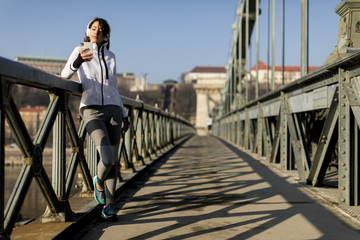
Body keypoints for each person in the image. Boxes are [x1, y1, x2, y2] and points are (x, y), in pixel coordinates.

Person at [61, 17, 130, 219]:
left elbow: (114, 86)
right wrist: (78, 61)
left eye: (100, 29)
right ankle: (98, 182)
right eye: (93, 28)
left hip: (114, 110)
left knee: (113, 161)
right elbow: (64, 75)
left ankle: (109, 206)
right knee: (106, 157)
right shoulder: (79, 50)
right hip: (91, 109)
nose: (96, 32)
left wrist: (124, 112)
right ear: (88, 30)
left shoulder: (111, 56)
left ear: (106, 34)